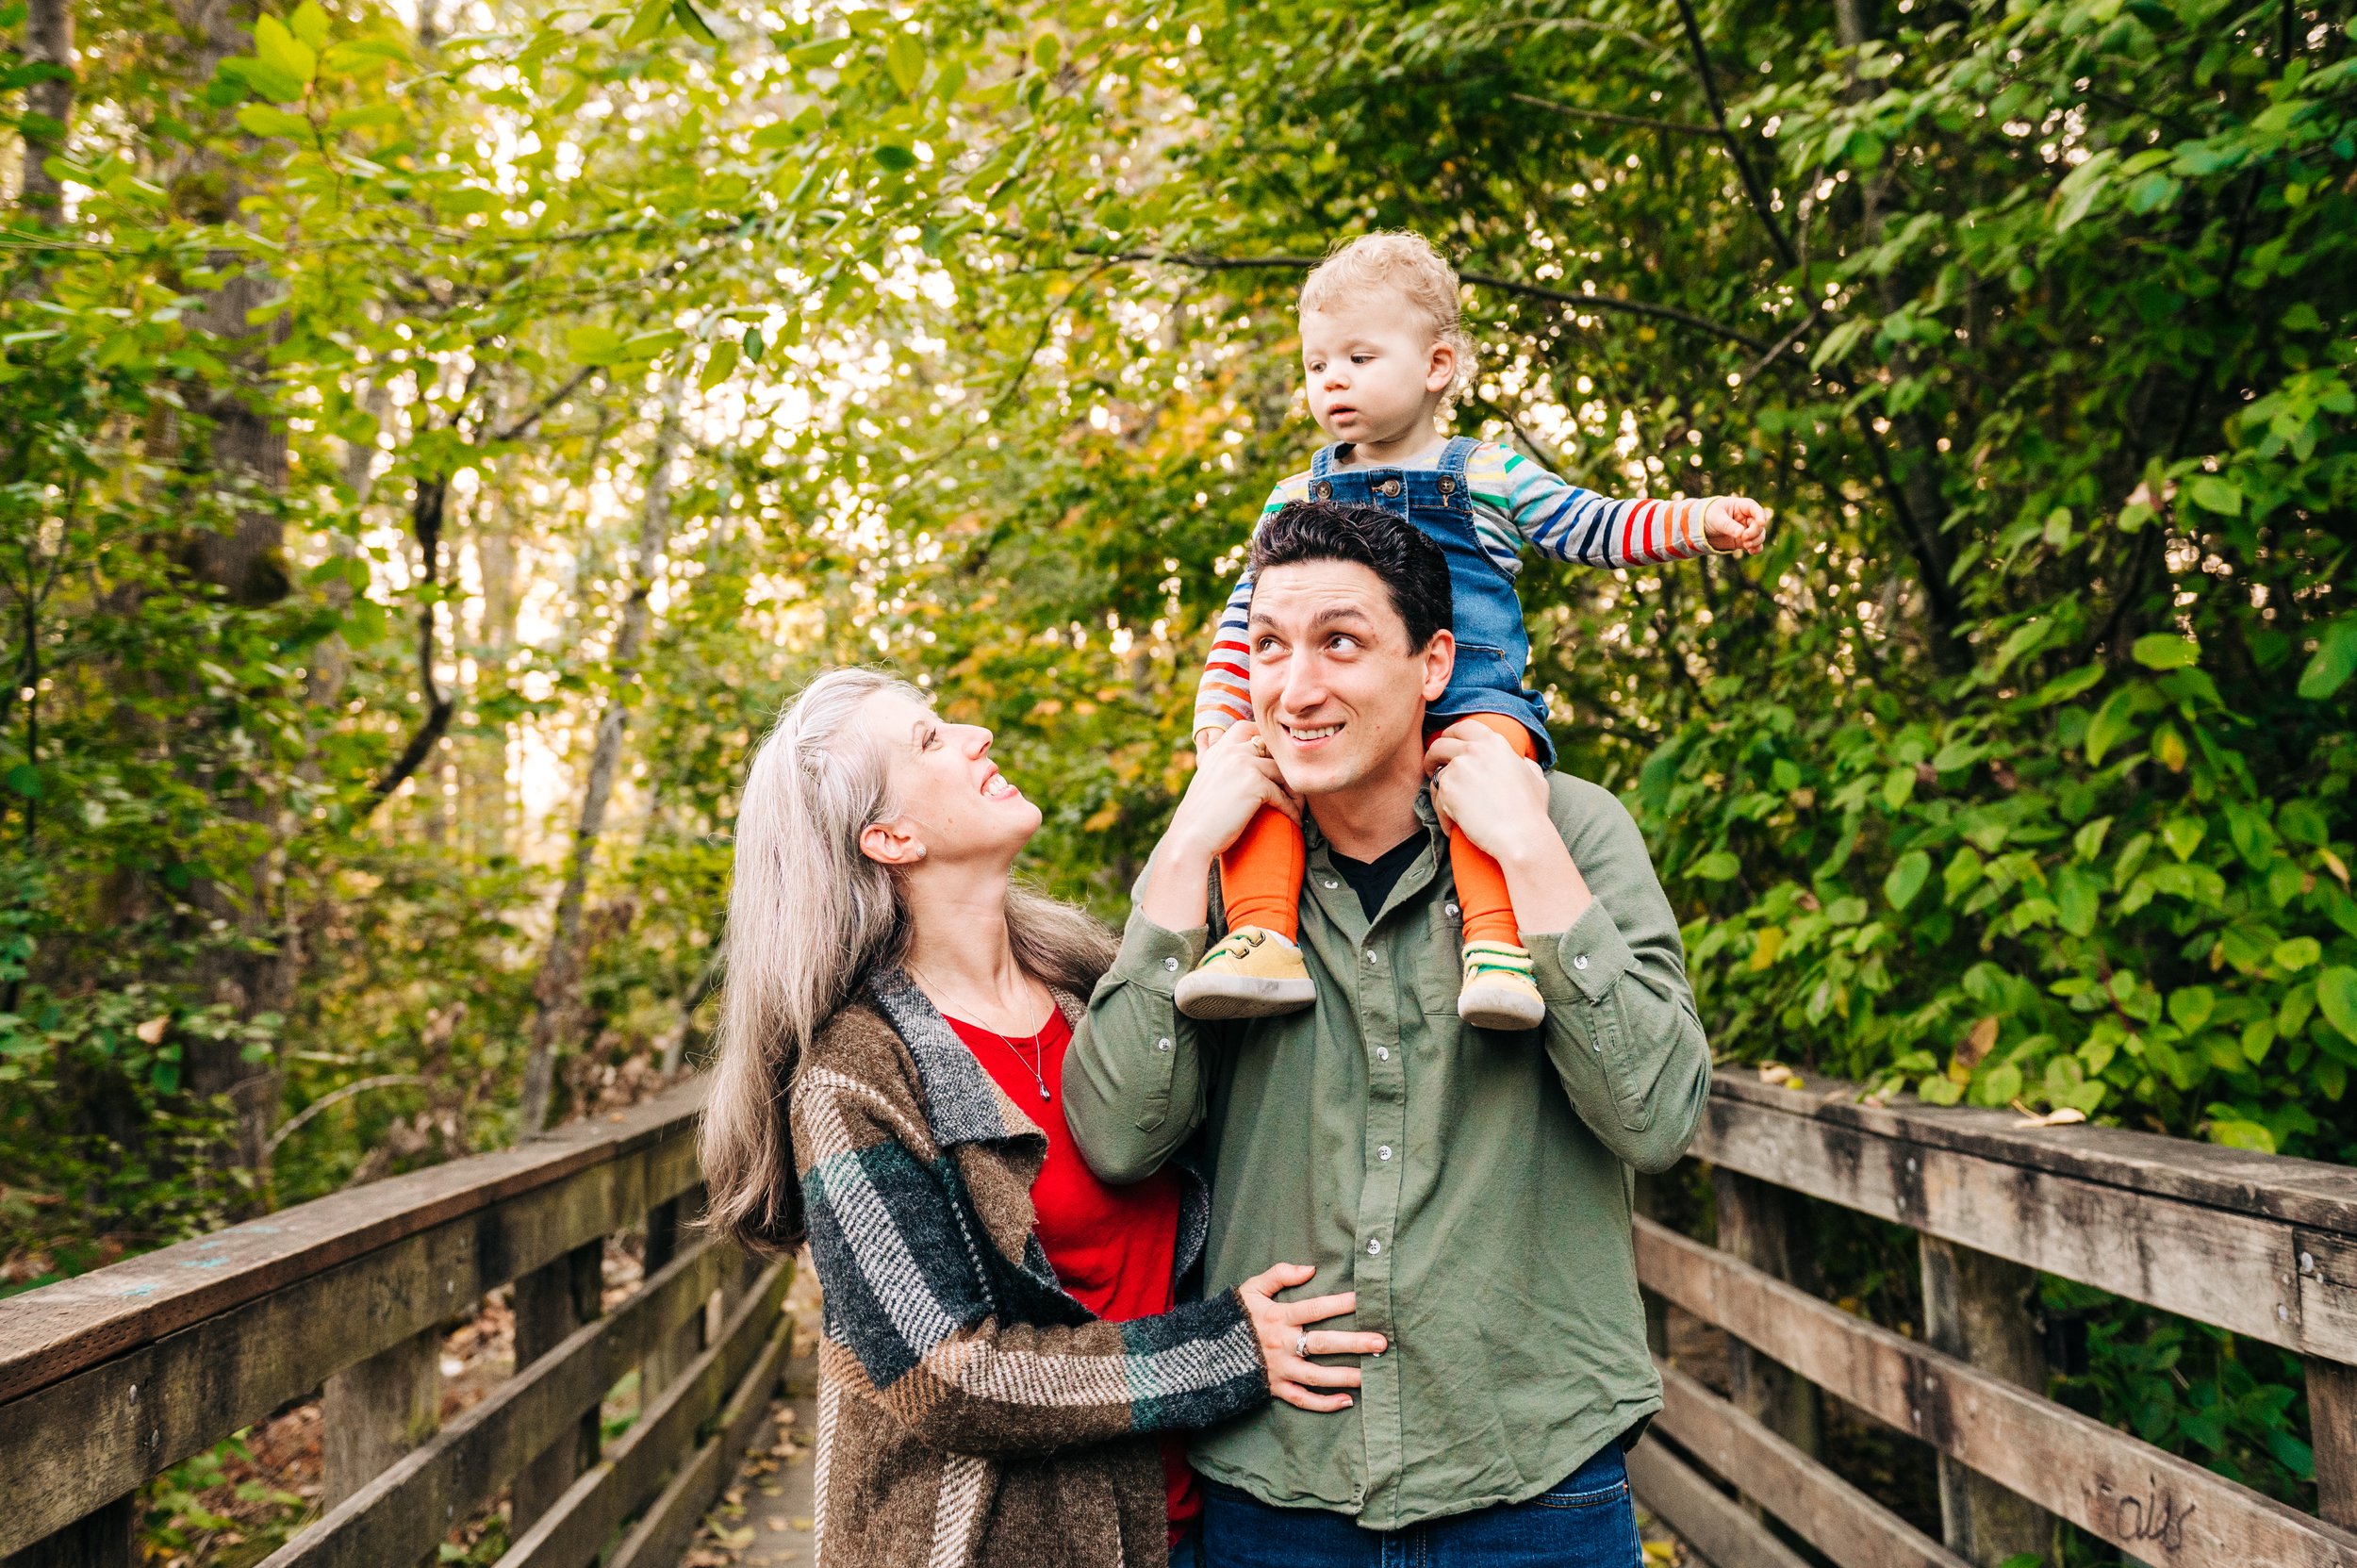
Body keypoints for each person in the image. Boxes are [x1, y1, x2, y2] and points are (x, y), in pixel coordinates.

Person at [1064, 503, 1713, 1565]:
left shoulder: (1574, 827)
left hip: (1533, 1477)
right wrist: (1182, 854)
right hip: (1276, 1487)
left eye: (1342, 642)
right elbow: (1120, 1136)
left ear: (1433, 663)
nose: (1295, 686)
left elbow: (1656, 1116)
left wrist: (1530, 853)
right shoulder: (1220, 867)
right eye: (1268, 646)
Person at [700, 668, 1387, 1568]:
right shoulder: (854, 1072)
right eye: (929, 740)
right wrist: (1224, 1351)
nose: (974, 733)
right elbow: (946, 1376)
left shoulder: (1093, 986)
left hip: (1205, 1520)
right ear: (889, 836)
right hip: (992, 1546)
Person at [1178, 230, 1767, 1032]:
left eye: (1359, 357)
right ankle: (1259, 935)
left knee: (1484, 774)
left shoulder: (1487, 472)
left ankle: (1496, 947)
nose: (1332, 382)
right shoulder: (1295, 494)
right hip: (1344, 716)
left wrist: (1695, 521)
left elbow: (1589, 525)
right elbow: (1248, 616)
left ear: (1437, 366)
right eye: (1317, 366)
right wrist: (1220, 714)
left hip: (1472, 693)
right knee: (1257, 778)